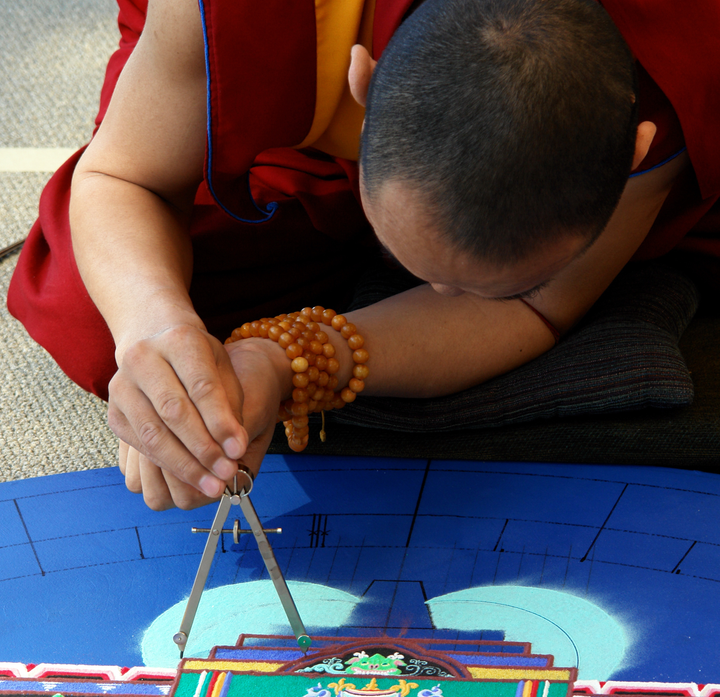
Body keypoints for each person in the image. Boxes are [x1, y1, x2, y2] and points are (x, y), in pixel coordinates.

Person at [7, 0, 720, 511]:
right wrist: (159, 336)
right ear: (366, 83)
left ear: (636, 147)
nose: (423, 291)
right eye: (406, 257)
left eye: (482, 288)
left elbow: (542, 305)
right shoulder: (232, 13)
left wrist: (288, 359)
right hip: (264, 71)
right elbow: (119, 176)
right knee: (101, 312)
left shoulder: (674, 68)